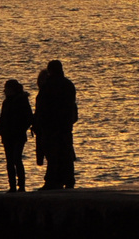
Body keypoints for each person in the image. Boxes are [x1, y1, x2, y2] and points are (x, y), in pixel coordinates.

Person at [36, 59, 79, 190]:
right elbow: (71, 105)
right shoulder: (68, 85)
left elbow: (41, 107)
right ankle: (69, 180)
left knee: (52, 154)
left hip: (50, 125)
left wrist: (39, 123)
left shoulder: (47, 86)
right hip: (65, 125)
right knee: (66, 153)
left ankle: (51, 181)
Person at [0, 78, 35, 192]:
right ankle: (12, 186)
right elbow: (3, 117)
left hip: (18, 134)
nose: (5, 91)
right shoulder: (7, 102)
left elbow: (29, 118)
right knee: (10, 160)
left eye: (7, 88)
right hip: (7, 134)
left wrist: (21, 128)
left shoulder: (22, 101)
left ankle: (21, 186)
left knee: (16, 158)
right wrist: (1, 129)